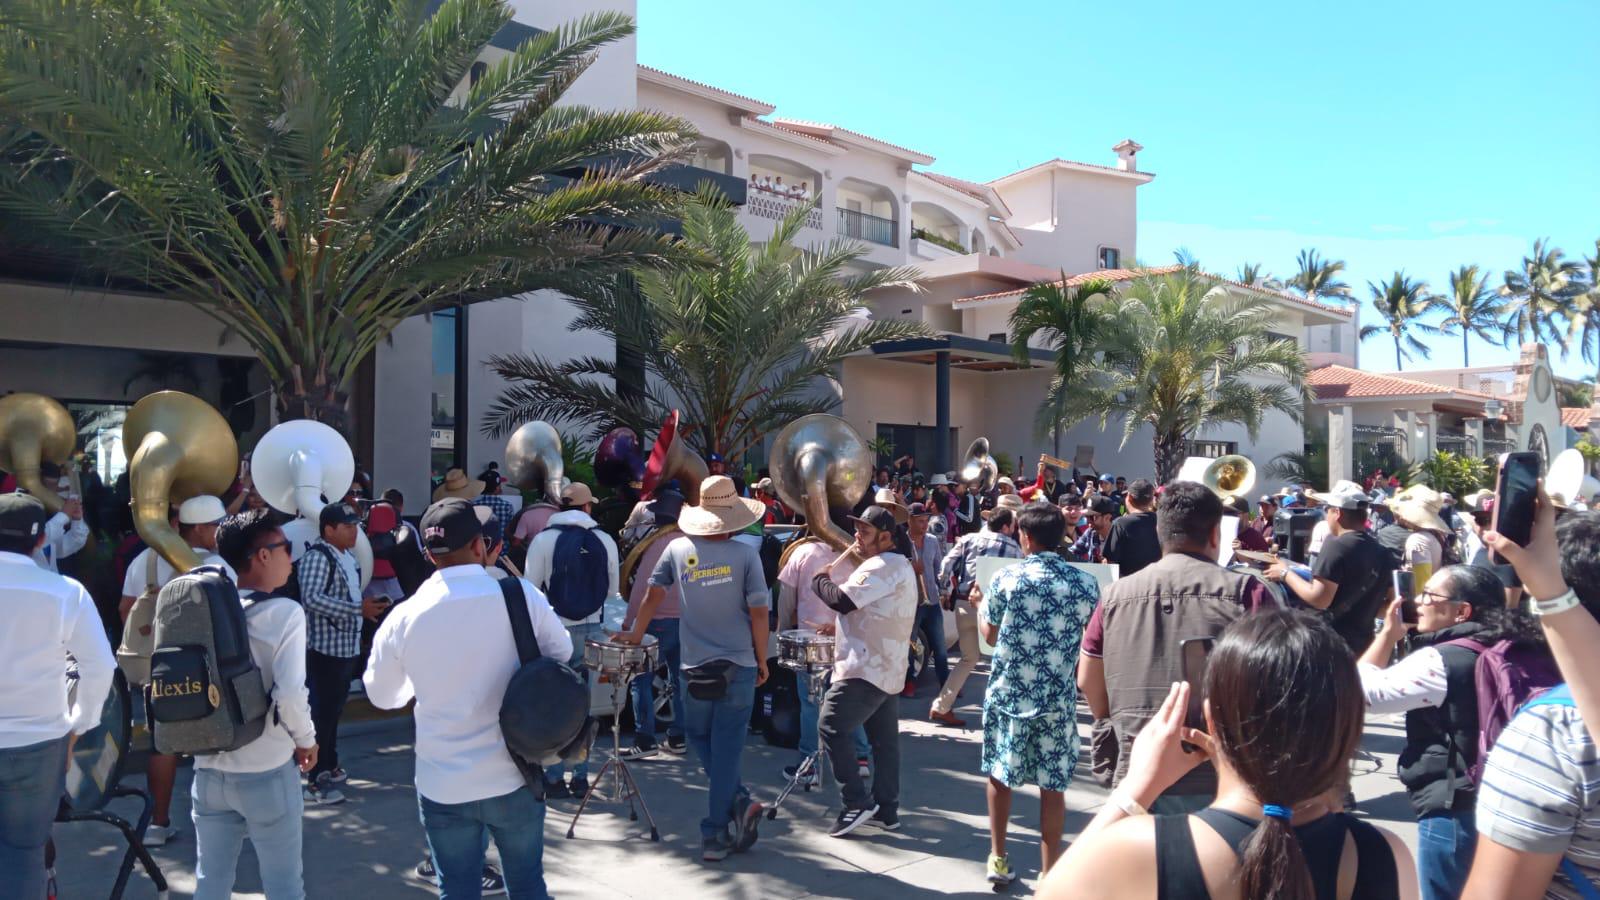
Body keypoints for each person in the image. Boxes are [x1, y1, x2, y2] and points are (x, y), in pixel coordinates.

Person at [1041, 610, 1417, 900]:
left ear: (1211, 719)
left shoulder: (1141, 847)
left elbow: (1051, 892)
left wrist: (1138, 786)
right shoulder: (1383, 855)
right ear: (1348, 725)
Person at [365, 498, 569, 900]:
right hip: (513, 773)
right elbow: (560, 655)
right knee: (528, 885)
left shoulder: (405, 616)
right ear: (480, 545)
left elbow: (383, 695)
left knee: (456, 890)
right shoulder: (519, 596)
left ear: (428, 554)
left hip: (444, 783)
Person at [1079, 481, 1276, 814]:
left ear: (1161, 533)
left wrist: (1118, 724)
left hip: (1137, 771)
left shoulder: (1113, 596)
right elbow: (1274, 683)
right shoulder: (1248, 591)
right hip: (1223, 777)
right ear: (1216, 534)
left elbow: (1087, 680)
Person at [1356, 564, 1546, 900]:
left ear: (1462, 611)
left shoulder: (1440, 660)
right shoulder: (1521, 647)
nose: (1419, 601)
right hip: (1517, 802)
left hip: (1454, 806)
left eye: (1429, 595)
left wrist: (1387, 635)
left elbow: (1362, 694)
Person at [623, 475, 769, 862]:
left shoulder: (679, 550)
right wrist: (762, 657)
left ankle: (724, 820)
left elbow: (654, 594)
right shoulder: (745, 555)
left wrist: (636, 634)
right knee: (725, 749)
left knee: (701, 739)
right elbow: (758, 612)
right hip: (738, 664)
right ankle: (723, 819)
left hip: (694, 666)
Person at [194, 510, 317, 900]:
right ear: (263, 555)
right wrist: (307, 741)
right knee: (284, 887)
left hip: (208, 771)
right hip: (266, 771)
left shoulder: (206, 614)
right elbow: (291, 695)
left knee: (210, 884)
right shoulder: (285, 614)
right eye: (286, 548)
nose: (291, 558)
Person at [0, 492, 115, 898]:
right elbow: (100, 667)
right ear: (37, 542)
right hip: (40, 742)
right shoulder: (66, 592)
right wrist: (78, 727)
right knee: (24, 854)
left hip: (38, 740)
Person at [979, 503, 1098, 886]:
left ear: (1024, 537)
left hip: (1009, 694)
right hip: (1057, 698)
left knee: (1000, 775)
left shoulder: (1007, 579)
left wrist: (980, 606)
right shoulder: (1084, 583)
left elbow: (991, 636)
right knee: (1053, 786)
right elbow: (1092, 642)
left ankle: (998, 857)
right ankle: (1050, 875)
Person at [117, 494, 236, 844]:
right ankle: (223, 825)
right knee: (219, 743)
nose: (218, 532)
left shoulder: (146, 560)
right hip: (209, 669)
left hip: (161, 669)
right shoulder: (219, 566)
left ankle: (157, 824)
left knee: (162, 745)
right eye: (215, 525)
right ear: (198, 528)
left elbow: (126, 609)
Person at [808, 505, 917, 837]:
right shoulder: (894, 564)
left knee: (830, 725)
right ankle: (887, 810)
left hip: (866, 668)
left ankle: (856, 801)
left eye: (865, 532)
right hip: (885, 665)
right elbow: (867, 610)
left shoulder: (883, 565)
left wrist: (819, 579)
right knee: (883, 743)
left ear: (886, 537)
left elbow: (841, 599)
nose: (857, 536)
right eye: (857, 529)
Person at [523, 481, 619, 799]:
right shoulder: (604, 540)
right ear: (588, 507)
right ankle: (580, 777)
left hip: (554, 630)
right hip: (592, 629)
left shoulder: (543, 541)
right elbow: (611, 592)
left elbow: (531, 590)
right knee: (584, 706)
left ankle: (553, 777)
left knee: (556, 704)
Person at [774, 513, 872, 788]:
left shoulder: (803, 552)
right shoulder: (858, 558)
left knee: (810, 703)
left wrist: (782, 632)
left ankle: (809, 765)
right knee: (848, 700)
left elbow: (786, 598)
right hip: (849, 638)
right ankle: (861, 758)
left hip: (810, 641)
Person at [297, 501, 375, 803]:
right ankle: (313, 779)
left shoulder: (345, 556)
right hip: (325, 649)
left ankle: (328, 763)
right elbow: (312, 598)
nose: (354, 531)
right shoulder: (318, 557)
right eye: (347, 526)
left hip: (345, 647)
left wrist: (364, 607)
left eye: (356, 525)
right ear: (328, 530)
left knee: (332, 711)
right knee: (322, 713)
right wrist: (358, 608)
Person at [1265, 484, 1395, 656]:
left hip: (1332, 645)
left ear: (1337, 513)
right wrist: (1365, 609)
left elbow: (1319, 599)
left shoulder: (1335, 545)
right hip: (1366, 646)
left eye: (1328, 510)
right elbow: (1393, 603)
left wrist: (1285, 573)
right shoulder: (1383, 552)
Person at [931, 498, 1024, 727]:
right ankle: (1001, 715)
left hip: (964, 604)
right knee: (1002, 660)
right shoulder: (1014, 549)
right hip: (995, 610)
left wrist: (944, 591)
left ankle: (941, 706)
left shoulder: (969, 539)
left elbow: (946, 565)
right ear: (1005, 527)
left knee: (968, 658)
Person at [903, 502, 948, 699]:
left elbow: (939, 567)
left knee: (940, 646)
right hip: (912, 602)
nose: (924, 525)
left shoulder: (931, 540)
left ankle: (946, 685)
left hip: (932, 600)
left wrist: (944, 589)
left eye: (926, 521)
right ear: (909, 520)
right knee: (910, 645)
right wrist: (911, 568)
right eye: (920, 521)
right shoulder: (902, 541)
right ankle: (909, 683)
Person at [1103, 478, 1160, 577]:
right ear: (1151, 500)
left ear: (1129, 497)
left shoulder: (1121, 523)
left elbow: (1110, 561)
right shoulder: (1162, 522)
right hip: (1157, 585)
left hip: (1128, 586)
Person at [471, 470, 516, 547]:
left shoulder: (473, 506)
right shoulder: (507, 506)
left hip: (479, 550)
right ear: (497, 488)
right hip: (501, 551)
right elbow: (510, 531)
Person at [1068, 496, 1117, 563]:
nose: (1087, 521)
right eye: (1086, 516)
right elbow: (1072, 552)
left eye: (1092, 517)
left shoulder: (1119, 535)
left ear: (1107, 518)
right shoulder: (1090, 532)